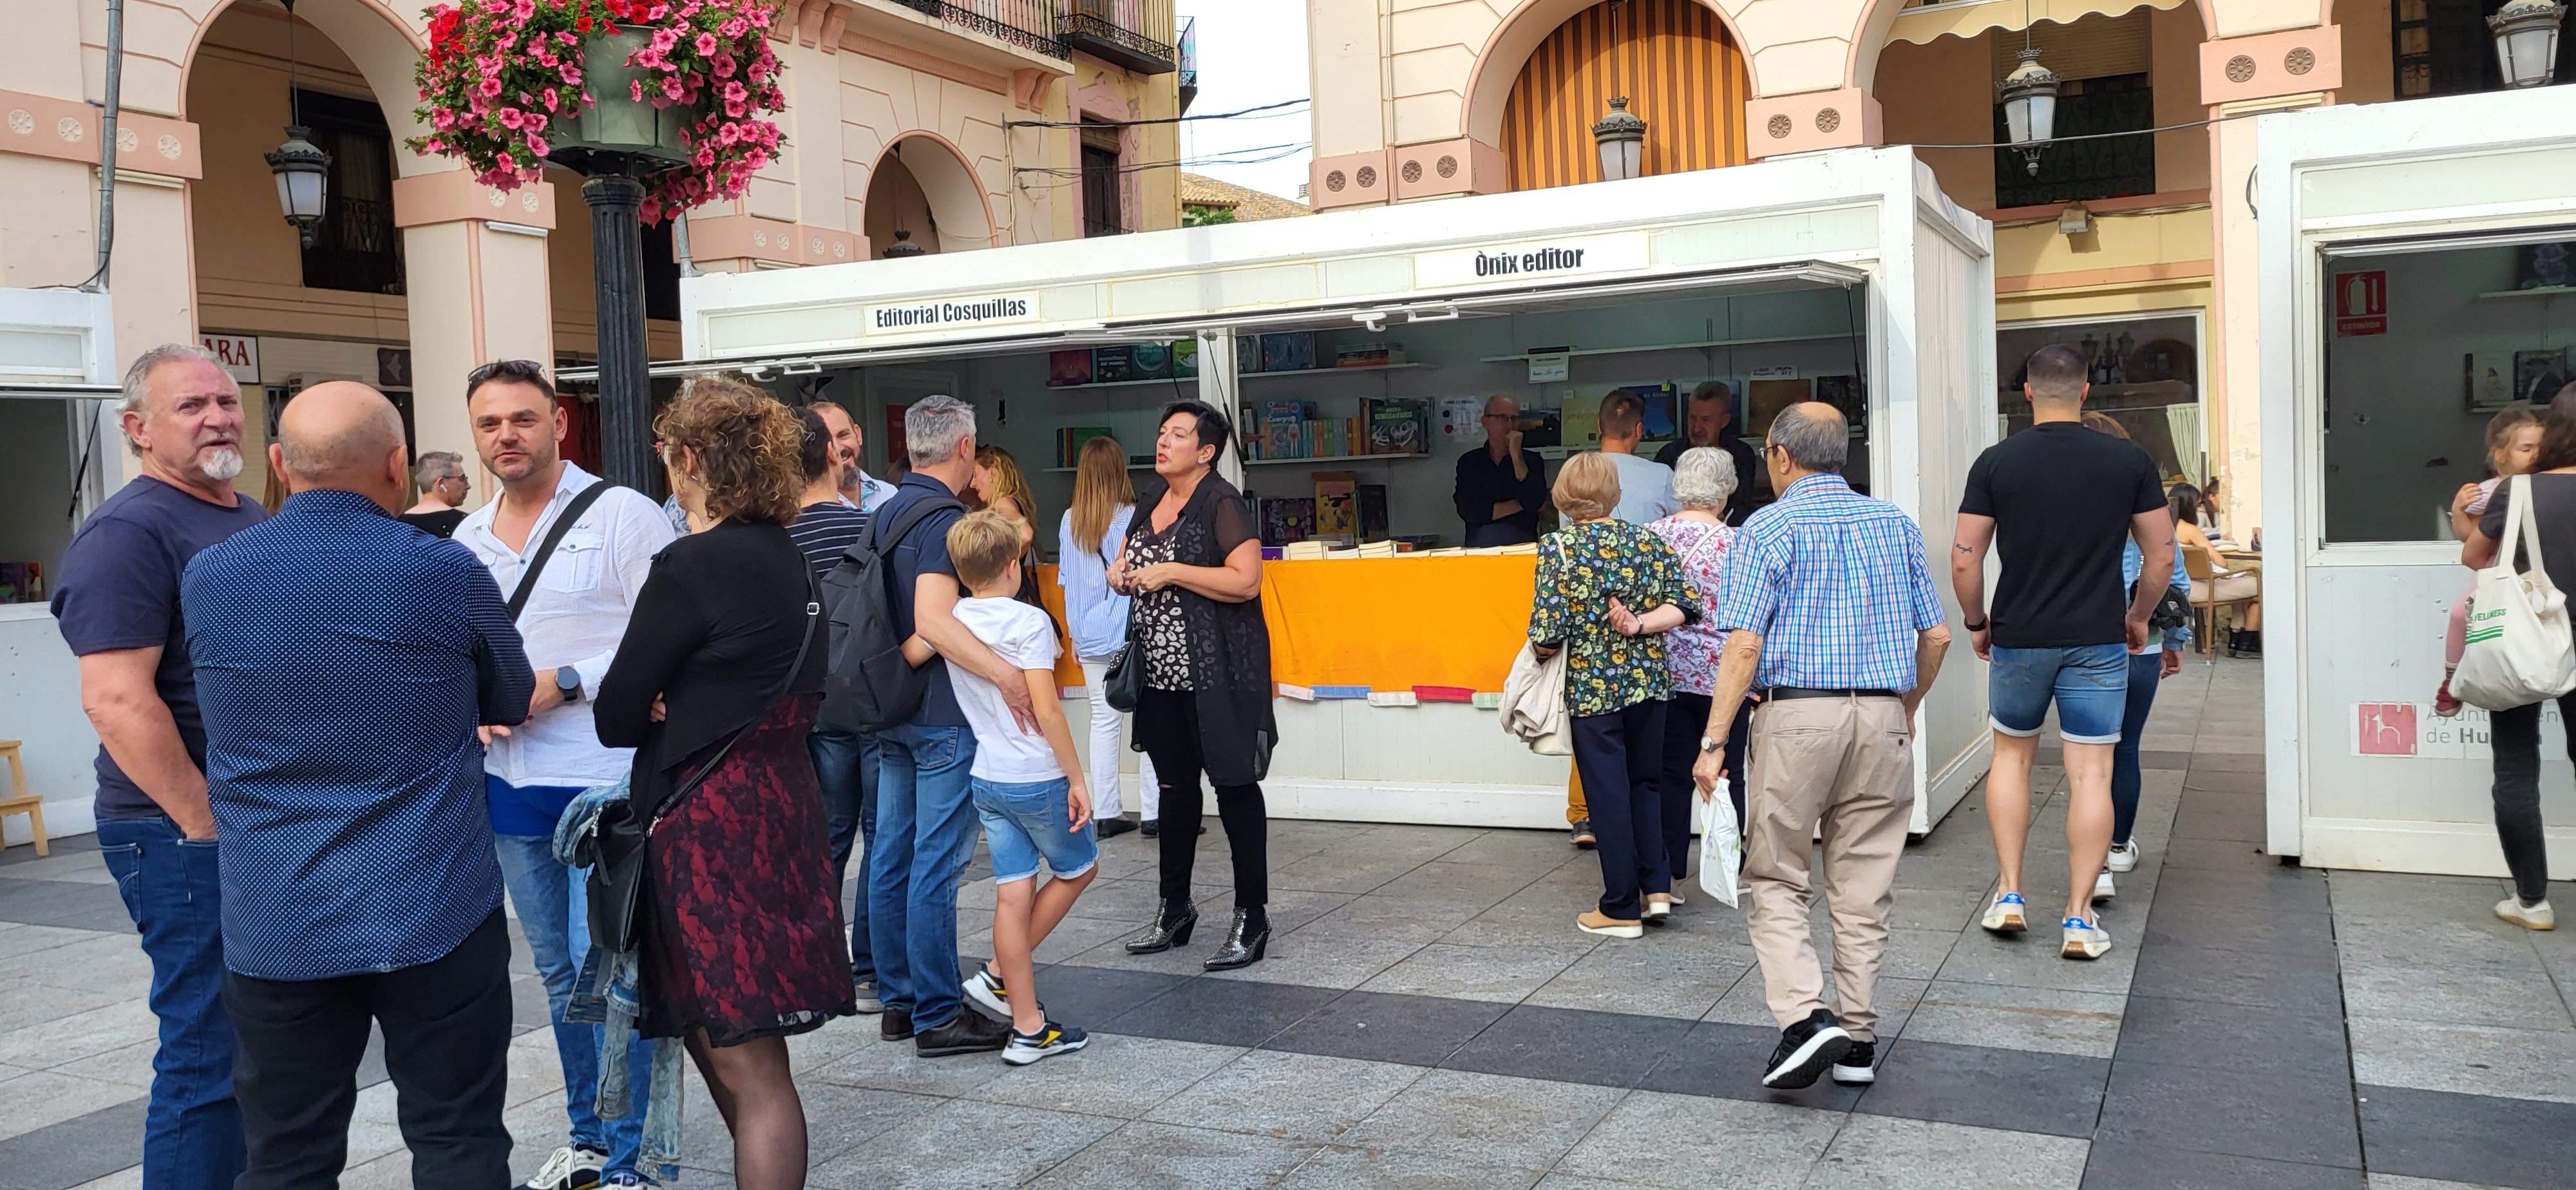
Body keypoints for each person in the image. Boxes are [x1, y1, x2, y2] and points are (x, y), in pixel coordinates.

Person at [185, 381, 529, 1187]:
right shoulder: (444, 569)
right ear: (397, 464)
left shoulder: (211, 575)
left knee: (286, 1155)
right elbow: (509, 697)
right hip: (434, 903)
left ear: (278, 464)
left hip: (278, 916)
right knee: (458, 1136)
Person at [592, 377, 857, 1188]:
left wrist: (662, 697)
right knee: (732, 1043)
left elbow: (616, 713)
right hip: (780, 811)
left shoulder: (693, 564)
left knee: (750, 1065)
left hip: (705, 828)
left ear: (691, 459)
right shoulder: (788, 555)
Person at [452, 359, 677, 1190]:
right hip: (511, 784)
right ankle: (588, 1139)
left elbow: (665, 633)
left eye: (521, 419)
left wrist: (569, 680)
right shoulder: (469, 537)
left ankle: (635, 1161)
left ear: (557, 424)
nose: (505, 436)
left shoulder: (622, 514)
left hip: (607, 783)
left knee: (609, 972)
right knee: (557, 975)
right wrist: (471, 699)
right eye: (489, 423)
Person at [52, 343, 263, 1187]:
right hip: (177, 833)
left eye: (226, 401)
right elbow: (115, 699)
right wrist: (205, 822)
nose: (218, 418)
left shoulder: (246, 514)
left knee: (252, 1049)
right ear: (137, 428)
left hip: (247, 825)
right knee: (208, 1054)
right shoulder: (128, 534)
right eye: (191, 407)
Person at [1692, 401, 1950, 1091]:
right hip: (1881, 716)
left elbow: (1744, 645)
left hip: (1797, 716)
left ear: (1780, 455)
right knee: (1864, 885)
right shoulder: (1893, 523)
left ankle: (1807, 1018)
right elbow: (1936, 636)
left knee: (1776, 874)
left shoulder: (1766, 528)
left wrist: (1714, 741)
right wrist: (1906, 707)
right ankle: (1858, 1039)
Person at [1952, 344, 2174, 962]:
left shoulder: (1996, 462)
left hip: (2019, 636)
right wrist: (2138, 616)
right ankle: (2079, 917)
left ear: (2027, 392)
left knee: (2011, 760)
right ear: (2084, 391)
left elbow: (1965, 558)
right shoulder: (2128, 461)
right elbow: (2161, 555)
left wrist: (1977, 622)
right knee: (2092, 774)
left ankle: (2010, 894)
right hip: (2098, 639)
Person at [866, 395, 1048, 1056]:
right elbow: (935, 621)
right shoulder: (944, 520)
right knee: (935, 867)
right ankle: (938, 1013)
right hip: (942, 714)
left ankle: (899, 1000)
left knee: (891, 854)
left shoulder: (884, 512)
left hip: (889, 706)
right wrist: (1006, 677)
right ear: (966, 448)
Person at [1112, 400, 1280, 970]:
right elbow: (1129, 560)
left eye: (1178, 435)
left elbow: (1247, 581)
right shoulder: (1151, 498)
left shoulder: (1221, 501)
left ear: (1206, 452)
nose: (1163, 442)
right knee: (1175, 790)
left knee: (1235, 789)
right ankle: (1174, 910)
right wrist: (1120, 575)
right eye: (1162, 432)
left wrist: (1173, 572)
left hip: (1217, 674)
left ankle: (1252, 917)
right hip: (1158, 676)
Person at [940, 511, 1101, 1064]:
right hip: (1037, 774)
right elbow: (1046, 709)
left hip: (988, 775)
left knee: (1013, 894)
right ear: (1013, 566)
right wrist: (1077, 778)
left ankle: (1026, 1024)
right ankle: (997, 977)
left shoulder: (954, 617)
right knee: (1079, 868)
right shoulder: (1029, 622)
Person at [1530, 451, 1698, 940]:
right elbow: (1686, 605)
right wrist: (1640, 625)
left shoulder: (1558, 548)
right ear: (1614, 494)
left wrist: (1539, 655)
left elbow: (1548, 630)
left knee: (1608, 796)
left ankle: (1620, 906)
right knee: (1646, 784)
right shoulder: (1648, 540)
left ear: (1563, 496)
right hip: (1649, 683)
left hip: (1593, 689)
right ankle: (1657, 887)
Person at [2458, 382, 2576, 932]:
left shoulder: (2521, 491)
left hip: (2527, 637)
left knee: (2515, 765)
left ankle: (2532, 901)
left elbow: (2474, 556)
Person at [787, 406, 889, 1015]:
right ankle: (869, 972)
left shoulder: (776, 537)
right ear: (832, 453)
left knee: (824, 834)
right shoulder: (870, 529)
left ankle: (810, 967)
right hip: (871, 698)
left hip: (811, 704)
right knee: (879, 835)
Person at [2084, 413, 2192, 887]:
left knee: (2089, 754)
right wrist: (2174, 642)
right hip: (2141, 647)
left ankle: (2093, 861)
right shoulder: (2147, 512)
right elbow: (2176, 578)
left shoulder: (2072, 513)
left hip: (2085, 645)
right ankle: (2117, 845)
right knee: (2126, 747)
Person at [1647, 448, 1750, 892]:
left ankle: (1667, 873)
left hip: (1664, 675)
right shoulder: (1740, 543)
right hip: (1725, 678)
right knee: (1728, 774)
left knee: (1667, 775)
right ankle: (1729, 869)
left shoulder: (1650, 537)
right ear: (1727, 490)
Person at [1058, 435, 1154, 838]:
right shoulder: (1134, 518)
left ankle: (1108, 812)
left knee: (1103, 720)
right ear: (1120, 472)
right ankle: (1155, 812)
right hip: (1129, 633)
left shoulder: (1069, 520)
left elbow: (1068, 583)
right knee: (1150, 719)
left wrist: (1074, 638)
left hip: (1089, 635)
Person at [2438, 403, 2545, 715]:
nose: (2536, 454)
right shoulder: (2487, 492)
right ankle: (2452, 680)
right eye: (2526, 448)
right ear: (2500, 455)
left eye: (2541, 447)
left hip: (2537, 576)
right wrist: (2459, 510)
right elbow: (2469, 538)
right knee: (2460, 615)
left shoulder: (2547, 484)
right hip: (2498, 576)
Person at [2167, 483, 2263, 654]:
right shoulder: (2190, 530)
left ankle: (2236, 638)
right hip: (2203, 588)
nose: (2200, 509)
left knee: (2241, 586)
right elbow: (2222, 563)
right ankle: (2248, 641)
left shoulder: (2165, 528)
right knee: (2258, 582)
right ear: (2189, 506)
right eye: (2198, 505)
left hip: (2179, 586)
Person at [1654, 382, 1766, 524]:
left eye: (1705, 420)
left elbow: (1742, 506)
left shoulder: (1742, 455)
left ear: (1724, 421)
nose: (1697, 428)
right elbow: (1659, 504)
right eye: (1692, 418)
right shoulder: (1669, 455)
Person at [1454, 395, 1548, 547]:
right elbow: (1470, 511)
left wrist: (1517, 456)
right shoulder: (1469, 462)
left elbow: (1534, 502)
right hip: (1480, 549)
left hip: (1523, 547)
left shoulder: (1532, 460)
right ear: (1485, 422)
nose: (1510, 425)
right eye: (1502, 418)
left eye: (1514, 419)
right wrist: (1518, 505)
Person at [974, 444, 1045, 606]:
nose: (972, 483)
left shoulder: (1002, 503)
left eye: (975, 474)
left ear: (992, 472)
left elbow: (1025, 534)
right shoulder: (1014, 501)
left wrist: (995, 569)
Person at [1598, 390, 1678, 524]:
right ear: (1639, 430)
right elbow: (1683, 525)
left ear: (1600, 427)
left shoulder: (1574, 475)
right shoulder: (1662, 476)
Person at [811, 399, 900, 513]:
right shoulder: (810, 509)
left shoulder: (889, 495)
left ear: (858, 435)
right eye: (826, 441)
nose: (838, 449)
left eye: (843, 435)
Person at [399, 450, 471, 538]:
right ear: (441, 483)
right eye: (462, 479)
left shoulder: (399, 525)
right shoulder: (465, 524)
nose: (468, 486)